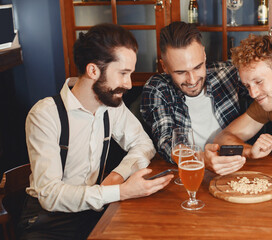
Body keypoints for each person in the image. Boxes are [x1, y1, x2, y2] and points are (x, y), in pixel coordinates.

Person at [18, 23, 173, 240]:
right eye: (123, 73)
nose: (129, 84)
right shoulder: (45, 115)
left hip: (95, 213)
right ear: (93, 70)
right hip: (49, 223)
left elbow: (144, 145)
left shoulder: (113, 106)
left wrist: (117, 176)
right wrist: (121, 191)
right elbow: (50, 195)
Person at [140, 21, 248, 175]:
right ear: (164, 67)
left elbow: (268, 86)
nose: (192, 80)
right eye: (180, 72)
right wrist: (201, 159)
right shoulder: (158, 88)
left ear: (204, 54)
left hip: (236, 168)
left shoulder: (226, 74)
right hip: (187, 173)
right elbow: (167, 143)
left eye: (197, 67)